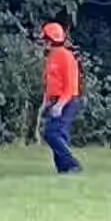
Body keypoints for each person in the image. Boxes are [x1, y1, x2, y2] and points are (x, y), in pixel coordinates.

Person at [40, 22, 83, 175]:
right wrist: (46, 101)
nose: (42, 43)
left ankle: (72, 164)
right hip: (55, 100)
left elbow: (70, 86)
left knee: (52, 134)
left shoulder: (65, 56)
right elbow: (49, 82)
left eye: (44, 39)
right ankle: (63, 169)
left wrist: (60, 105)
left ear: (50, 40)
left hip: (67, 100)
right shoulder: (51, 57)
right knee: (60, 134)